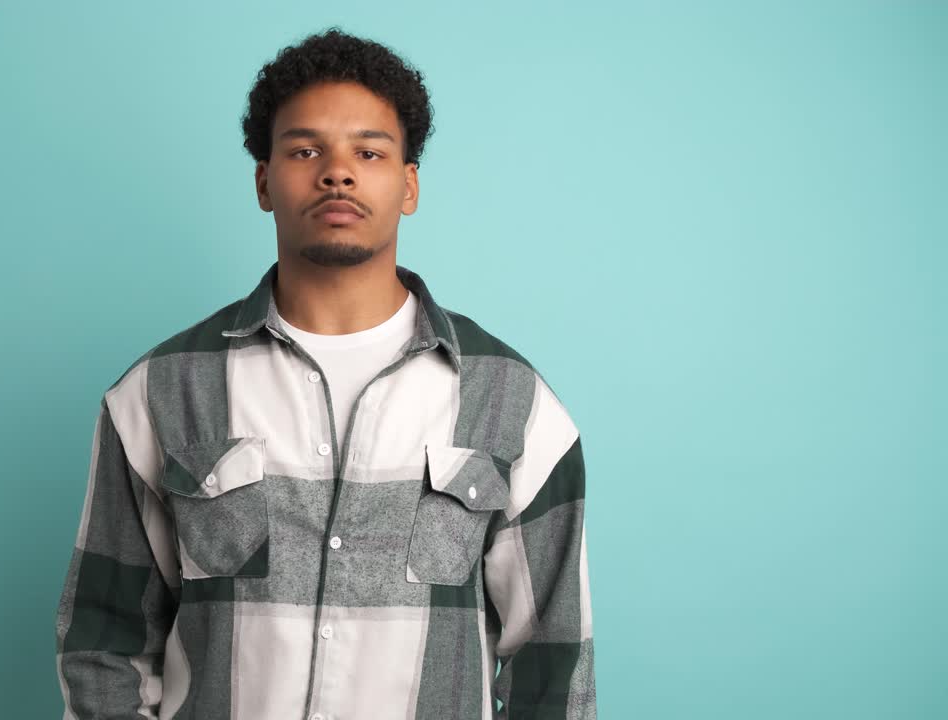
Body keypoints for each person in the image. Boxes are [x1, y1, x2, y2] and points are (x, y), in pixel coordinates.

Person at [55, 26, 597, 720]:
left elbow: (554, 667)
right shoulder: (159, 394)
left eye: (368, 152)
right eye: (305, 149)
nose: (337, 172)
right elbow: (104, 649)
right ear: (263, 180)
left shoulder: (513, 404)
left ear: (408, 185)